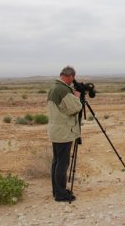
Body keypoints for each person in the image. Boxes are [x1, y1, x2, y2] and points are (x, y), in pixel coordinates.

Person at [47, 66, 82, 202]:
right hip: (63, 132)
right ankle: (61, 195)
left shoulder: (54, 87)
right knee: (62, 163)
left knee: (56, 162)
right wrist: (77, 98)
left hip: (56, 130)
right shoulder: (62, 89)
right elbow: (74, 108)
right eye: (72, 78)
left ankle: (57, 191)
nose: (72, 81)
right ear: (70, 76)